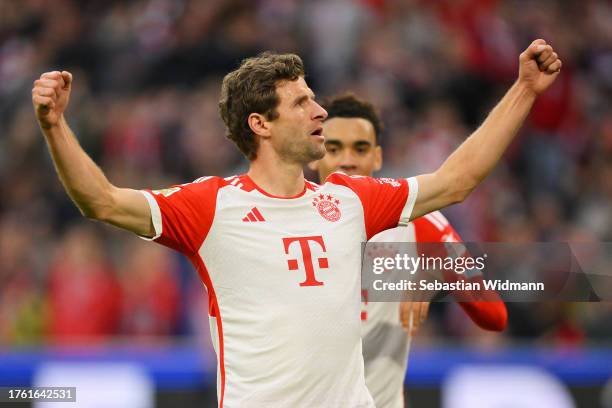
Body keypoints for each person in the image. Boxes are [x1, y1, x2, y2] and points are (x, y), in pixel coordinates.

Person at [32, 40, 561, 407]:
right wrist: (56, 126)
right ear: (260, 124)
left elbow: (456, 180)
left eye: (315, 98)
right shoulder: (210, 206)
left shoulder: (351, 198)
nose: (319, 111)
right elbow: (100, 201)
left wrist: (524, 90)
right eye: (302, 101)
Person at [312, 93, 508, 408]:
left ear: (377, 157)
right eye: (333, 148)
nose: (347, 160)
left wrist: (434, 277)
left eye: (359, 148)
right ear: (314, 155)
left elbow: (493, 314)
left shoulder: (419, 223)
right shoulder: (287, 222)